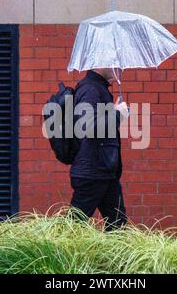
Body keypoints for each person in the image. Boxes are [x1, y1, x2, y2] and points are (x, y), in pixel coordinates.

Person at [70, 68, 129, 230]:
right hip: (92, 173)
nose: (119, 69)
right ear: (101, 64)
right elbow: (88, 126)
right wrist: (118, 115)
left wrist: (113, 111)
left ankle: (116, 255)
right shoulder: (90, 89)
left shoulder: (98, 88)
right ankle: (55, 254)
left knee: (117, 224)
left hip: (104, 171)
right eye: (115, 64)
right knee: (74, 227)